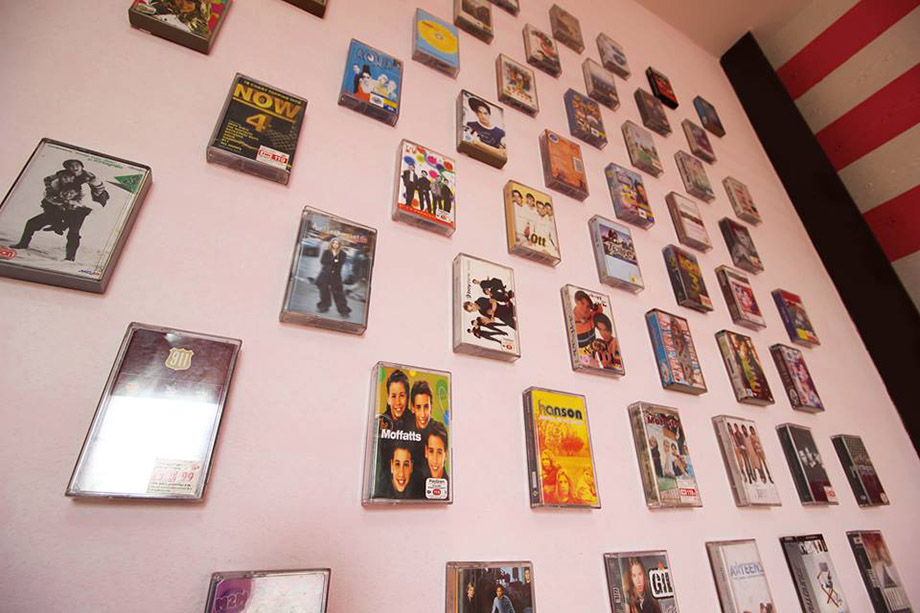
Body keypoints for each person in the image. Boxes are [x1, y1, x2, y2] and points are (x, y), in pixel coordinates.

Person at [9, 158, 109, 262]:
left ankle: (70, 257)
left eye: (68, 178)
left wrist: (73, 203)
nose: (66, 180)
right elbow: (47, 197)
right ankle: (23, 244)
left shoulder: (84, 187)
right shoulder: (56, 184)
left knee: (73, 232)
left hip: (79, 212)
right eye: (63, 178)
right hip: (60, 209)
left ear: (73, 177)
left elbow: (90, 203)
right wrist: (59, 204)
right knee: (31, 223)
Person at [315, 237, 350, 316]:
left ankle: (343, 310)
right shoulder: (326, 252)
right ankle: (324, 306)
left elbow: (340, 263)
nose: (335, 245)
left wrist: (334, 261)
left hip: (336, 275)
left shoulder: (343, 254)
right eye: (334, 243)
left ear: (340, 245)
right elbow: (322, 261)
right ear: (331, 244)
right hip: (325, 274)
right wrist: (333, 260)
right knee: (324, 291)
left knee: (338, 293)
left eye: (337, 243)